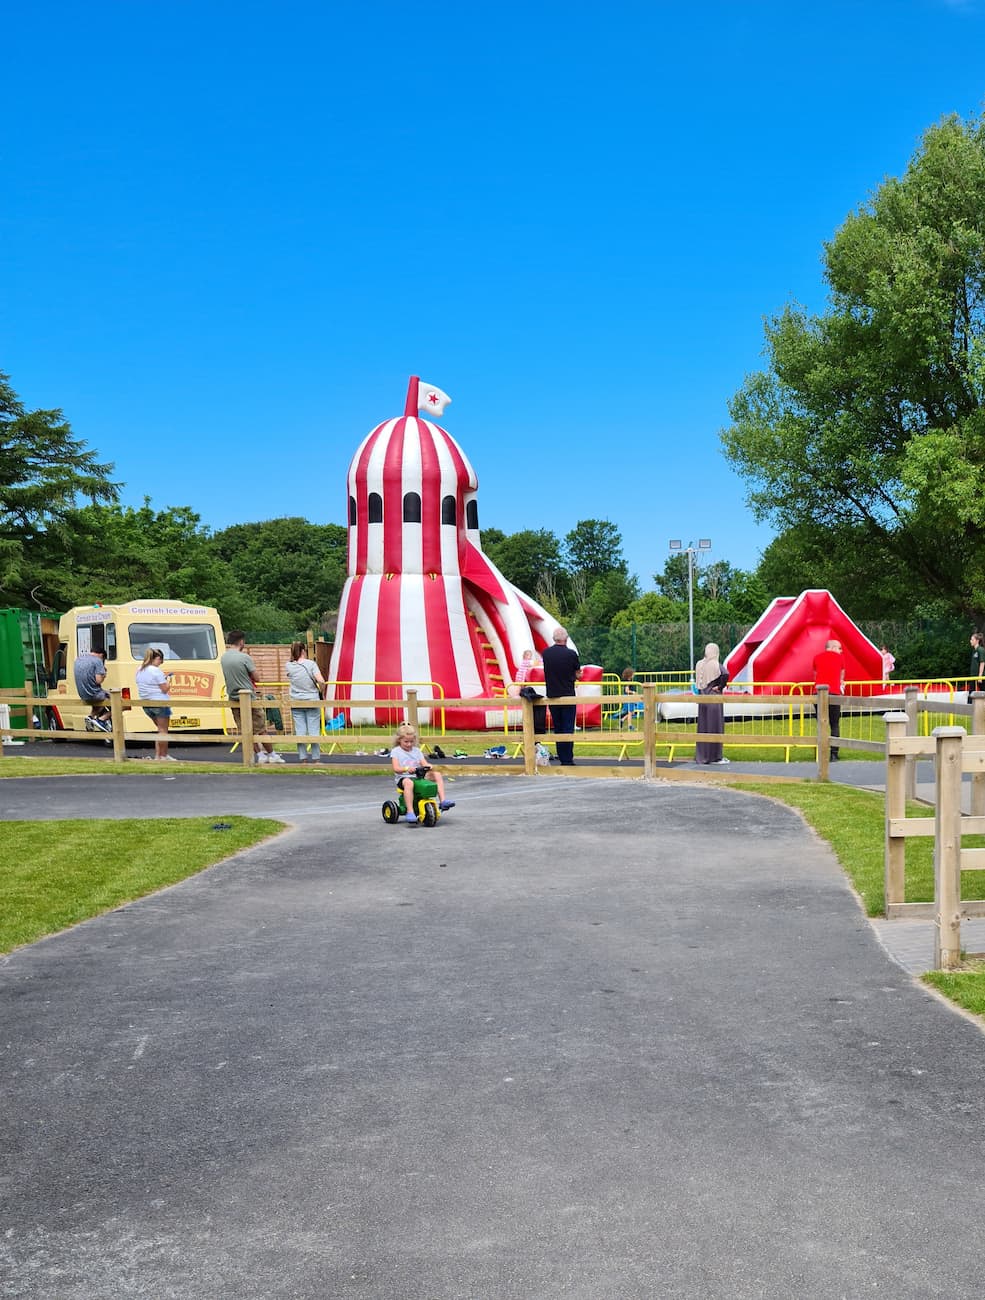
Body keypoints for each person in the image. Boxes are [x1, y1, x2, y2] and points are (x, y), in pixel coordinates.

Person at [220, 630, 284, 764]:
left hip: (233, 697)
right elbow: (257, 677)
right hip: (248, 697)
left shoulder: (224, 658)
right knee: (261, 728)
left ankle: (260, 754)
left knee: (246, 729)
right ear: (241, 641)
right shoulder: (245, 658)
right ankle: (272, 754)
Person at [390, 723, 455, 823]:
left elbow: (424, 763)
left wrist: (429, 766)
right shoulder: (396, 751)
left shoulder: (416, 751)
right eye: (406, 742)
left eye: (411, 741)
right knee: (409, 783)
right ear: (399, 740)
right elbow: (396, 768)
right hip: (403, 778)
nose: (409, 744)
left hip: (418, 776)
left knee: (436, 774)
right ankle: (410, 811)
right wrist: (406, 769)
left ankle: (443, 801)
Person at [541, 626, 582, 765]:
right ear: (566, 638)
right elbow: (578, 673)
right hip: (567, 694)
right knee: (568, 727)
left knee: (558, 726)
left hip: (552, 695)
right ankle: (567, 758)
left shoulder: (546, 654)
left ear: (554, 639)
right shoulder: (571, 654)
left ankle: (561, 753)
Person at [285, 642, 326, 764]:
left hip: (296, 700)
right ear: (303, 650)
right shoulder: (311, 664)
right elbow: (321, 681)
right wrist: (321, 691)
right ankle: (316, 759)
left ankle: (303, 759)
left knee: (300, 731)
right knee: (314, 730)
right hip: (311, 700)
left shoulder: (288, 665)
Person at [136, 648, 176, 761]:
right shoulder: (156, 671)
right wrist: (169, 682)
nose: (161, 662)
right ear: (156, 658)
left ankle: (158, 756)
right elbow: (164, 689)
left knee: (159, 729)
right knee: (163, 730)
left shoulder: (140, 669)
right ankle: (163, 755)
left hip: (146, 703)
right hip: (159, 702)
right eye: (160, 659)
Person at [694, 644, 729, 764]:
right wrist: (720, 687)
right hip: (714, 699)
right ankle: (715, 756)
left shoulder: (699, 664)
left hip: (702, 699)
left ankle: (702, 755)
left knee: (703, 727)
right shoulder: (715, 664)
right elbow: (725, 674)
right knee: (715, 727)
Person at [813, 638, 845, 761]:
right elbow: (842, 676)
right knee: (834, 724)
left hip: (819, 693)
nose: (841, 650)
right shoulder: (840, 658)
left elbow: (816, 675)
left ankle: (821, 753)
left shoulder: (816, 657)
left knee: (821, 724)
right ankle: (834, 754)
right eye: (839, 648)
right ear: (832, 647)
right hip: (834, 694)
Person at [74, 648, 111, 731]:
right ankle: (101, 720)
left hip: (83, 694)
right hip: (94, 694)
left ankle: (90, 717)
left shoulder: (78, 659)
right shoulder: (97, 661)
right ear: (102, 655)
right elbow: (98, 681)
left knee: (100, 701)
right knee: (122, 704)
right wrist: (104, 674)